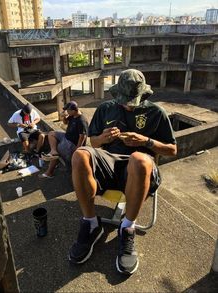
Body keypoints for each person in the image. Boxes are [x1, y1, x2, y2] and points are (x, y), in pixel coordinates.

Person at [69, 69, 177, 275]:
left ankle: (127, 227)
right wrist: (104, 138)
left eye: (132, 100)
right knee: (80, 155)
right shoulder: (105, 109)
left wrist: (145, 141)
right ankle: (91, 223)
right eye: (124, 99)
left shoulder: (156, 113)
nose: (127, 104)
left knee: (138, 159)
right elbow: (94, 141)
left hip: (139, 170)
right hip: (109, 162)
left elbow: (172, 150)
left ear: (144, 94)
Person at [39, 101, 89, 179]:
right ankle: (53, 150)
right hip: (66, 136)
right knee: (51, 133)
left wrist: (77, 149)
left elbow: (83, 136)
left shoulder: (81, 120)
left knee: (56, 153)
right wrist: (64, 117)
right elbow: (65, 122)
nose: (67, 112)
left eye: (68, 111)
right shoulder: (72, 115)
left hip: (72, 143)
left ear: (74, 110)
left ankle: (49, 172)